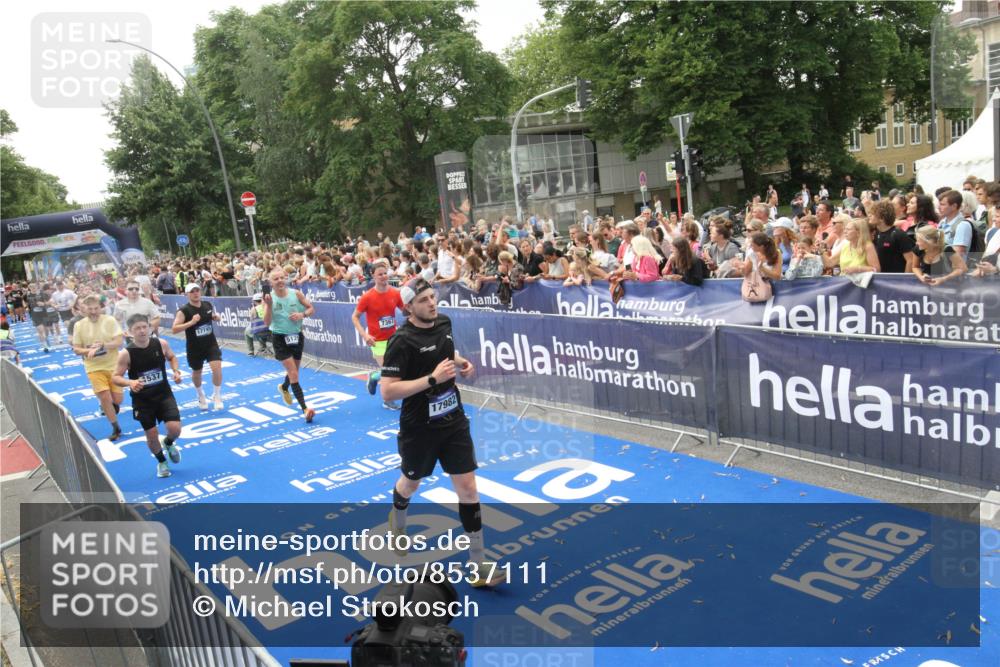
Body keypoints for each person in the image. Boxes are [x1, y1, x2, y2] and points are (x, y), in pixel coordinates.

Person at [380, 278, 504, 587]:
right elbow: (388, 392)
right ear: (408, 307)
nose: (432, 303)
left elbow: (444, 352)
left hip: (453, 420)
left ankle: (478, 565)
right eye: (423, 300)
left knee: (469, 489)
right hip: (419, 428)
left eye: (433, 297)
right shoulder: (401, 341)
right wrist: (433, 380)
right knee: (410, 484)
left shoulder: (444, 321)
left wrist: (460, 362)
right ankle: (398, 516)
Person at [112, 314, 184, 478]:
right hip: (143, 401)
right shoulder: (126, 353)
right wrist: (130, 383)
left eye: (144, 327)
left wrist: (176, 371)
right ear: (129, 332)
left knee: (175, 429)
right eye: (137, 328)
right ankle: (161, 462)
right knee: (151, 436)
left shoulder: (161, 343)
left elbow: (172, 357)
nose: (142, 331)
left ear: (150, 328)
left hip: (164, 394)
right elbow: (115, 377)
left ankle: (168, 442)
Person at [264, 268, 317, 422]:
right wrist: (268, 305)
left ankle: (284, 387)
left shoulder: (296, 294)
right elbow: (267, 323)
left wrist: (302, 315)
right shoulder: (269, 298)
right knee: (293, 373)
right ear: (270, 283)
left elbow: (311, 308)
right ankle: (305, 409)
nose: (280, 281)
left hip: (296, 336)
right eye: (276, 279)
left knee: (295, 371)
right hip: (280, 338)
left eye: (282, 277)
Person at [72, 294, 125, 441]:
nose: (94, 312)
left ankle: (112, 407)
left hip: (113, 365)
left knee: (117, 399)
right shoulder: (79, 325)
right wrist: (88, 351)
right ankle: (115, 427)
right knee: (104, 397)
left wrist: (103, 346)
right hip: (93, 367)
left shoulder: (109, 320)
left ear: (101, 308)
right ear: (84, 310)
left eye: (96, 308)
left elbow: (119, 341)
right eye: (90, 309)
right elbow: (76, 349)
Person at [352, 262, 404, 410]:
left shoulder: (395, 293)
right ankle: (388, 401)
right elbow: (354, 317)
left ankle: (374, 377)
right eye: (380, 274)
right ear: (373, 276)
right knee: (389, 372)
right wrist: (365, 335)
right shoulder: (367, 297)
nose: (383, 276)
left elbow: (405, 311)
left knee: (397, 371)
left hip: (393, 339)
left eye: (385, 273)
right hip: (377, 341)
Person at [171, 283, 224, 410]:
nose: (195, 293)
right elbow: (174, 329)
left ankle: (217, 396)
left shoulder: (207, 305)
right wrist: (191, 322)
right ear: (187, 294)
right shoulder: (184, 310)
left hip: (211, 343)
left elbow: (211, 316)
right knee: (197, 372)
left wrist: (216, 317)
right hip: (194, 347)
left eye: (197, 290)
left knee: (217, 368)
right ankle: (200, 395)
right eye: (192, 291)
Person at [869, 200, 915, 274]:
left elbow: (910, 260)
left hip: (895, 281)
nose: (869, 215)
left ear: (882, 218)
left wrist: (905, 281)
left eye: (872, 213)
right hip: (879, 279)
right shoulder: (875, 233)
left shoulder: (899, 235)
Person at [936, 189, 974, 259]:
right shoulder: (942, 222)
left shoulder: (963, 225)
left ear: (954, 206)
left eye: (942, 204)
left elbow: (958, 254)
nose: (938, 207)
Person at [50, 279, 77, 345]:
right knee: (67, 324)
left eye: (61, 285)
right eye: (58, 286)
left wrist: (72, 304)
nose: (60, 287)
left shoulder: (69, 292)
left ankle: (76, 337)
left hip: (71, 310)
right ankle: (73, 339)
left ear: (63, 285)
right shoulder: (54, 294)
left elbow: (76, 298)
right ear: (56, 286)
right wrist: (55, 306)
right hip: (62, 312)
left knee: (74, 325)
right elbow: (51, 302)